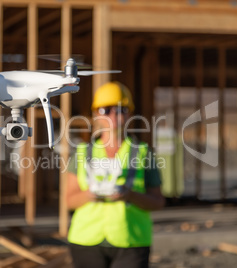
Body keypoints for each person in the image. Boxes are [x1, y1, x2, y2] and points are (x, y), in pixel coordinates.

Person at [66, 81, 165, 268]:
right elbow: (69, 200)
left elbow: (158, 202)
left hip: (132, 241)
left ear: (129, 113)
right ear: (96, 113)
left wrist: (130, 195)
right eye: (106, 109)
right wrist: (90, 194)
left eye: (120, 109)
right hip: (86, 241)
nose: (113, 115)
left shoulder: (144, 152)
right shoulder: (81, 153)